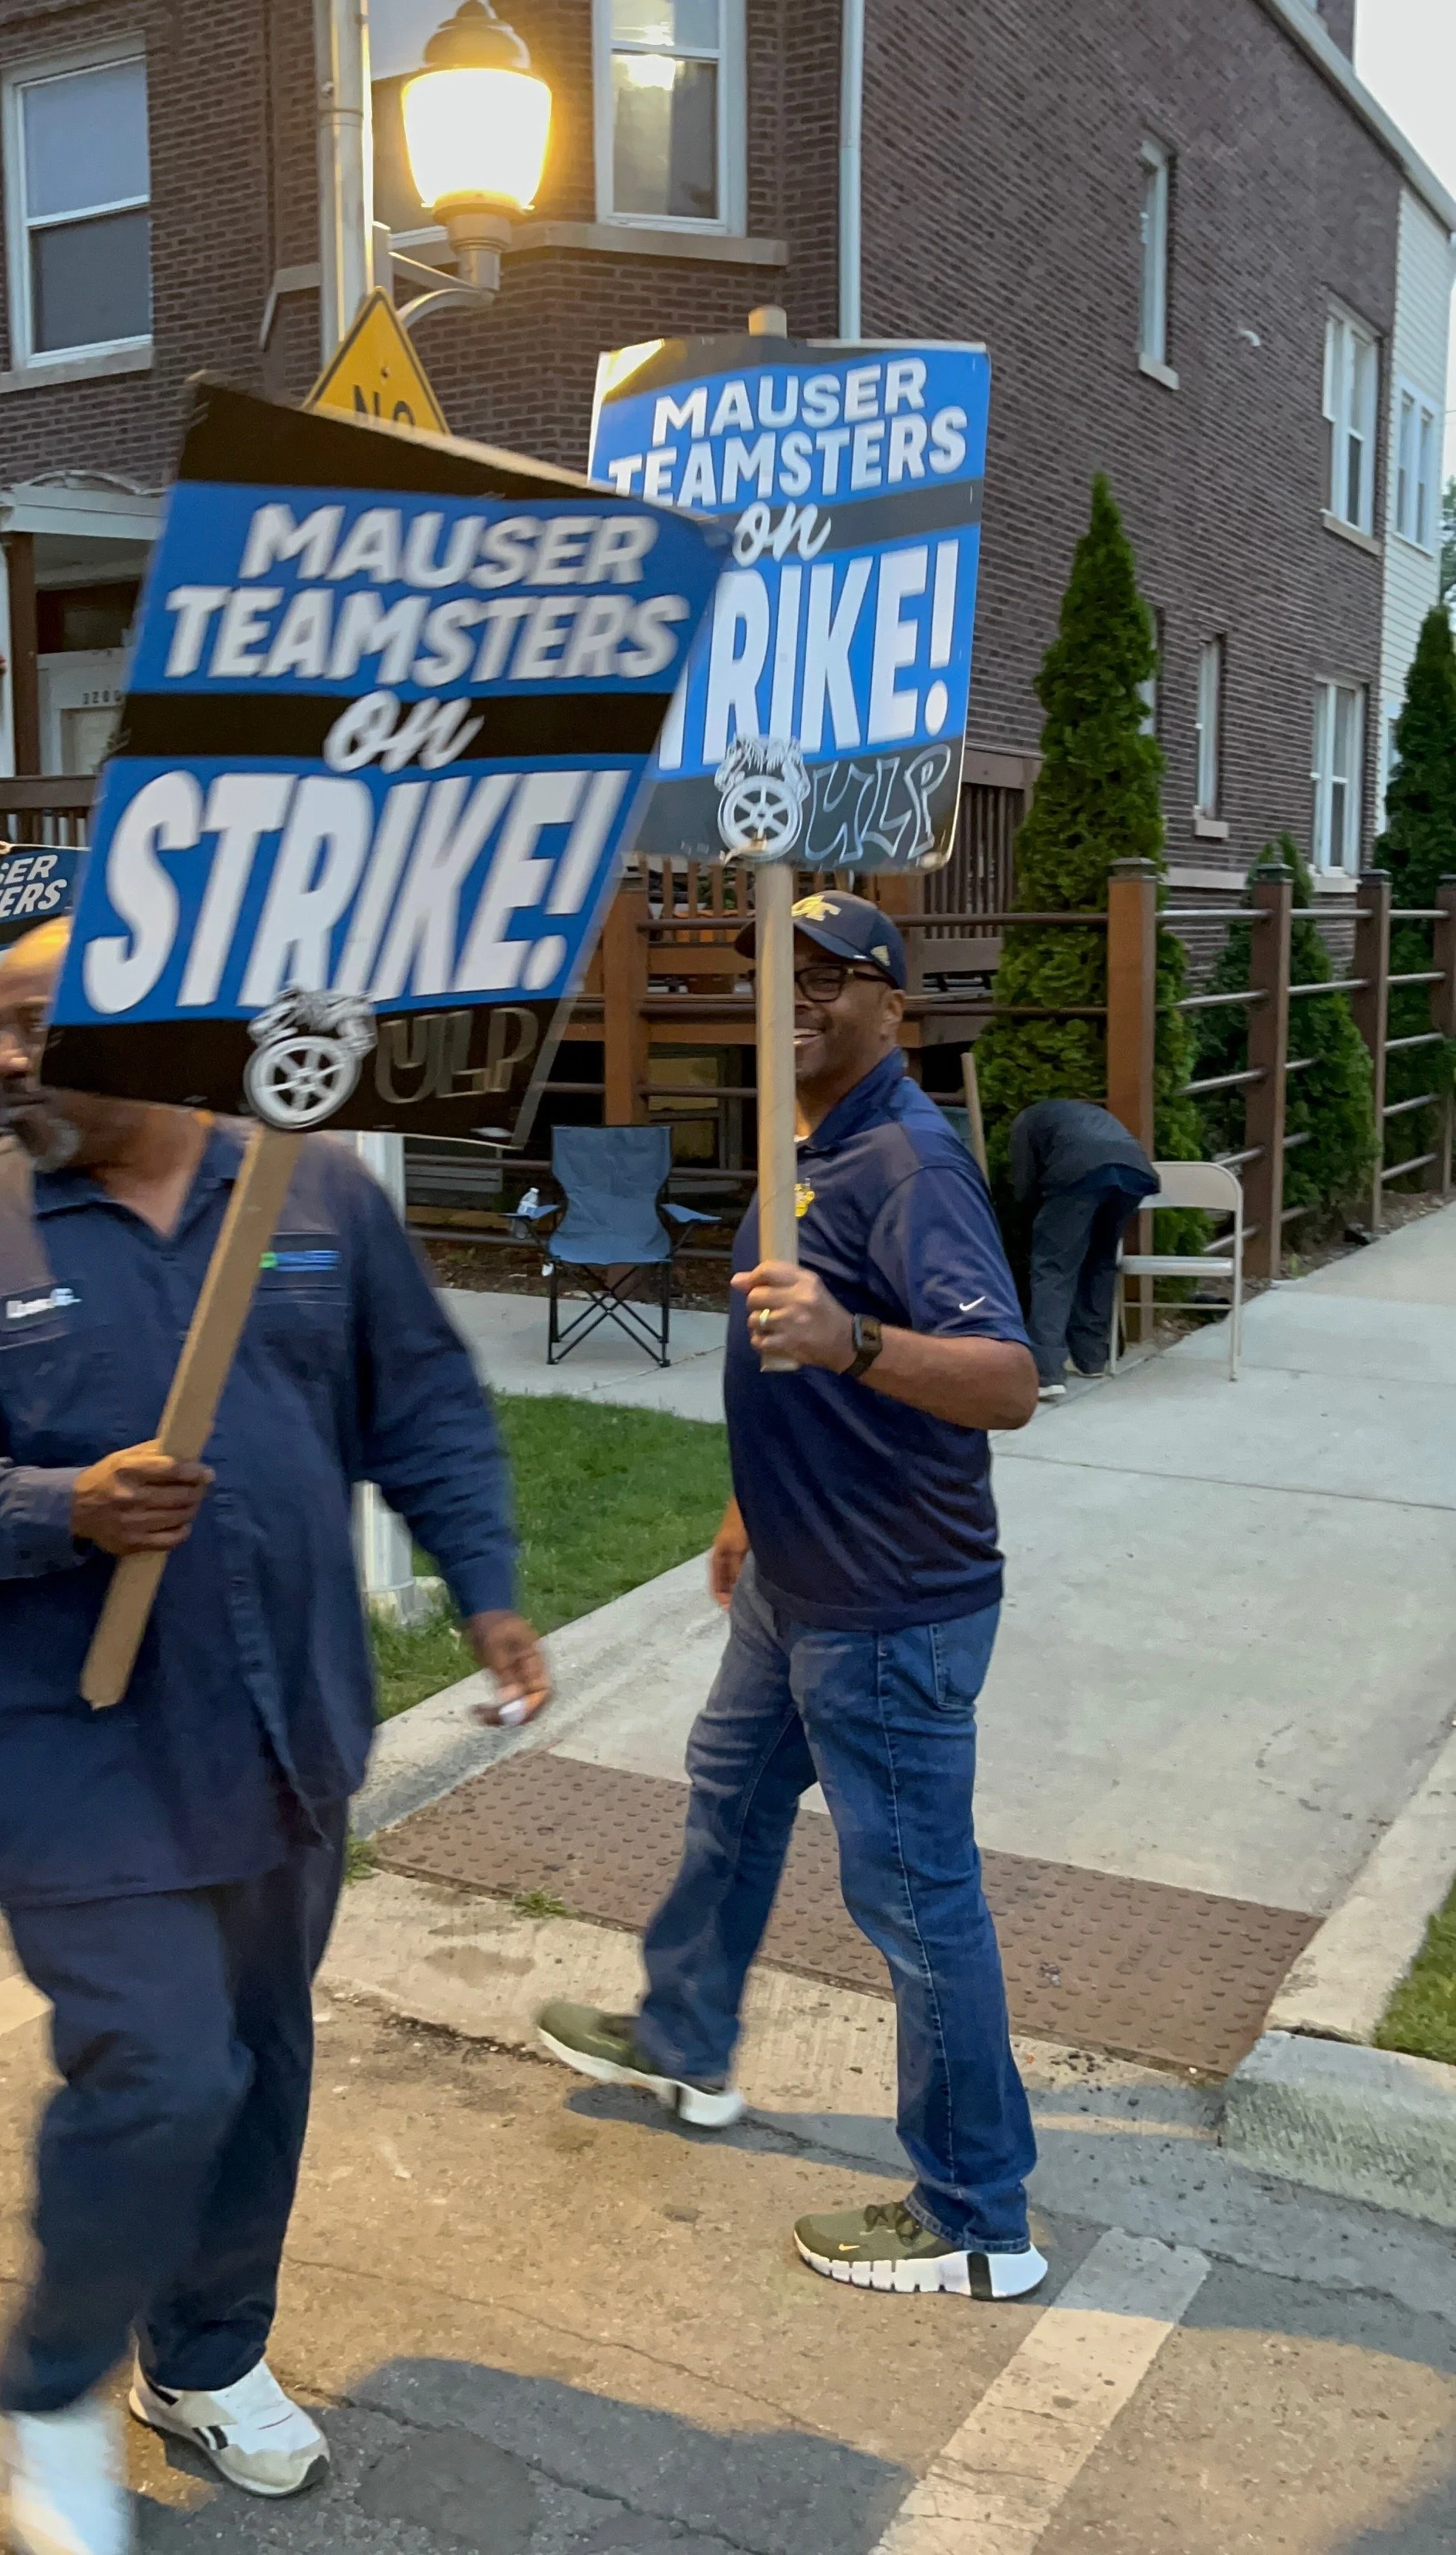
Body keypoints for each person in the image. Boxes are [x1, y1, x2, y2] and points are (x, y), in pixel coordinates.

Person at [0, 918, 549, 2555]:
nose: (4, 1059)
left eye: (42, 1026)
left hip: (284, 1740)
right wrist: (64, 1504)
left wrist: (486, 1584)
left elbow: (414, 1396)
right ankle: (57, 2377)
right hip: (66, 1744)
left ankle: (202, 2357)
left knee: (259, 2066)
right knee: (161, 2065)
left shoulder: (307, 1194)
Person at [539, 891, 1047, 2300]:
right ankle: (687, 2040)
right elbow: (780, 1363)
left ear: (901, 1009)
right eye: (780, 974)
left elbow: (1005, 1381)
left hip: (890, 1603)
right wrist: (744, 1505)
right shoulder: (799, 1142)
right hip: (795, 1577)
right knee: (731, 1796)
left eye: (836, 977)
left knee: (916, 1904)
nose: (800, 996)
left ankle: (978, 2218)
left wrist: (856, 1337)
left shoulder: (908, 1165)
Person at [1009, 1098, 1160, 1398]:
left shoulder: (1025, 1122)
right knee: (1100, 1261)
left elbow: (1024, 1185)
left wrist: (1030, 1223)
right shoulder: (1088, 1115)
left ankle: (1047, 1373)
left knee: (1053, 1267)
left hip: (1079, 1174)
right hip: (1133, 1172)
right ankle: (1091, 1358)